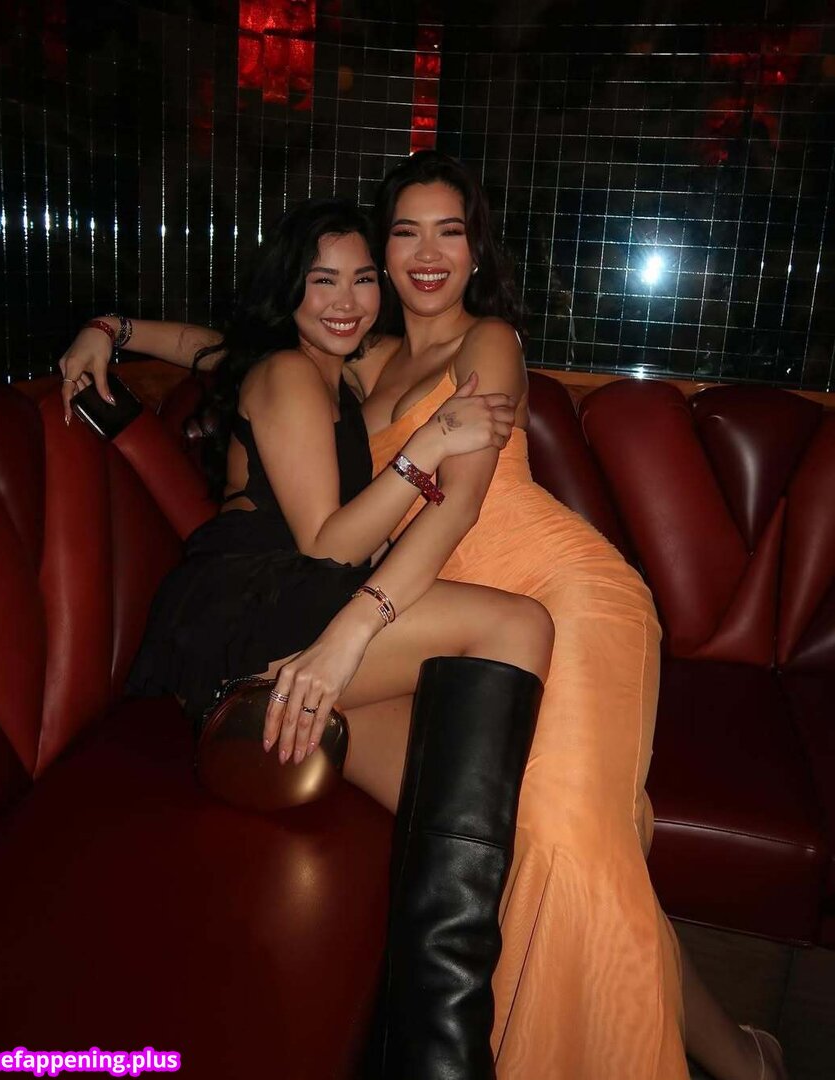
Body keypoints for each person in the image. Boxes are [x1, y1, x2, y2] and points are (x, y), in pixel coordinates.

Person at [59, 160, 788, 1080]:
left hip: (556, 596)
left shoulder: (488, 341)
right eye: (405, 232)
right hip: (428, 617)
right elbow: (236, 350)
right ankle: (741, 1059)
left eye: (450, 230)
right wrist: (112, 328)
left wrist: (350, 632)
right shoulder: (358, 358)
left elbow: (460, 504)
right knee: (536, 838)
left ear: (476, 249)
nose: (427, 252)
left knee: (567, 837)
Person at [63, 196, 556, 1080]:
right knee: (514, 622)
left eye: (362, 280)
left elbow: (199, 344)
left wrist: (112, 326)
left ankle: (429, 1049)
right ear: (289, 289)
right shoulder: (290, 372)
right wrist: (428, 444)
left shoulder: (330, 368)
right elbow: (330, 545)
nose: (345, 300)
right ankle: (441, 1061)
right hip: (249, 604)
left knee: (471, 811)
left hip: (287, 612)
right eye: (321, 280)